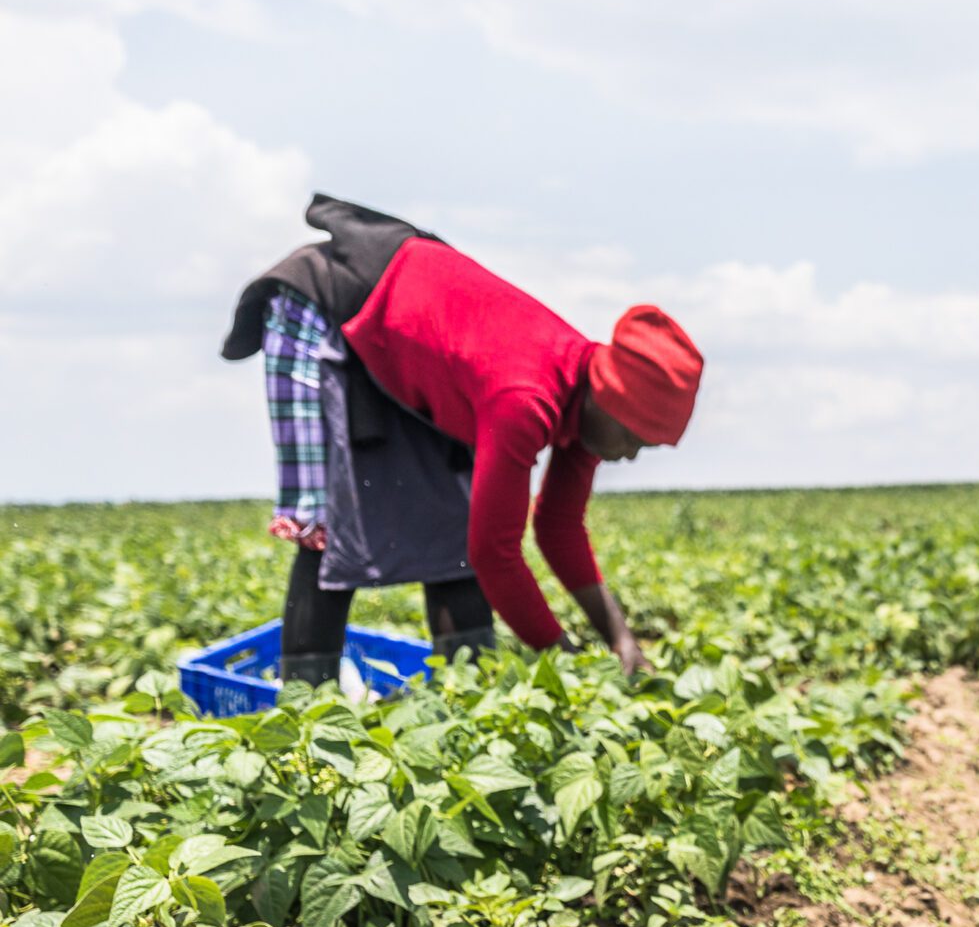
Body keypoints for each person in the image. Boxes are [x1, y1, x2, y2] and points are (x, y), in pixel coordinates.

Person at [220, 197, 703, 687]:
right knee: (326, 520)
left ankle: (462, 691)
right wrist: (562, 658)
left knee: (455, 513)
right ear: (608, 401)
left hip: (398, 341)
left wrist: (620, 639)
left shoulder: (586, 404)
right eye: (634, 438)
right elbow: (494, 553)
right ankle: (305, 706)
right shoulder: (526, 397)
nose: (630, 455)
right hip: (323, 305)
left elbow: (558, 527)